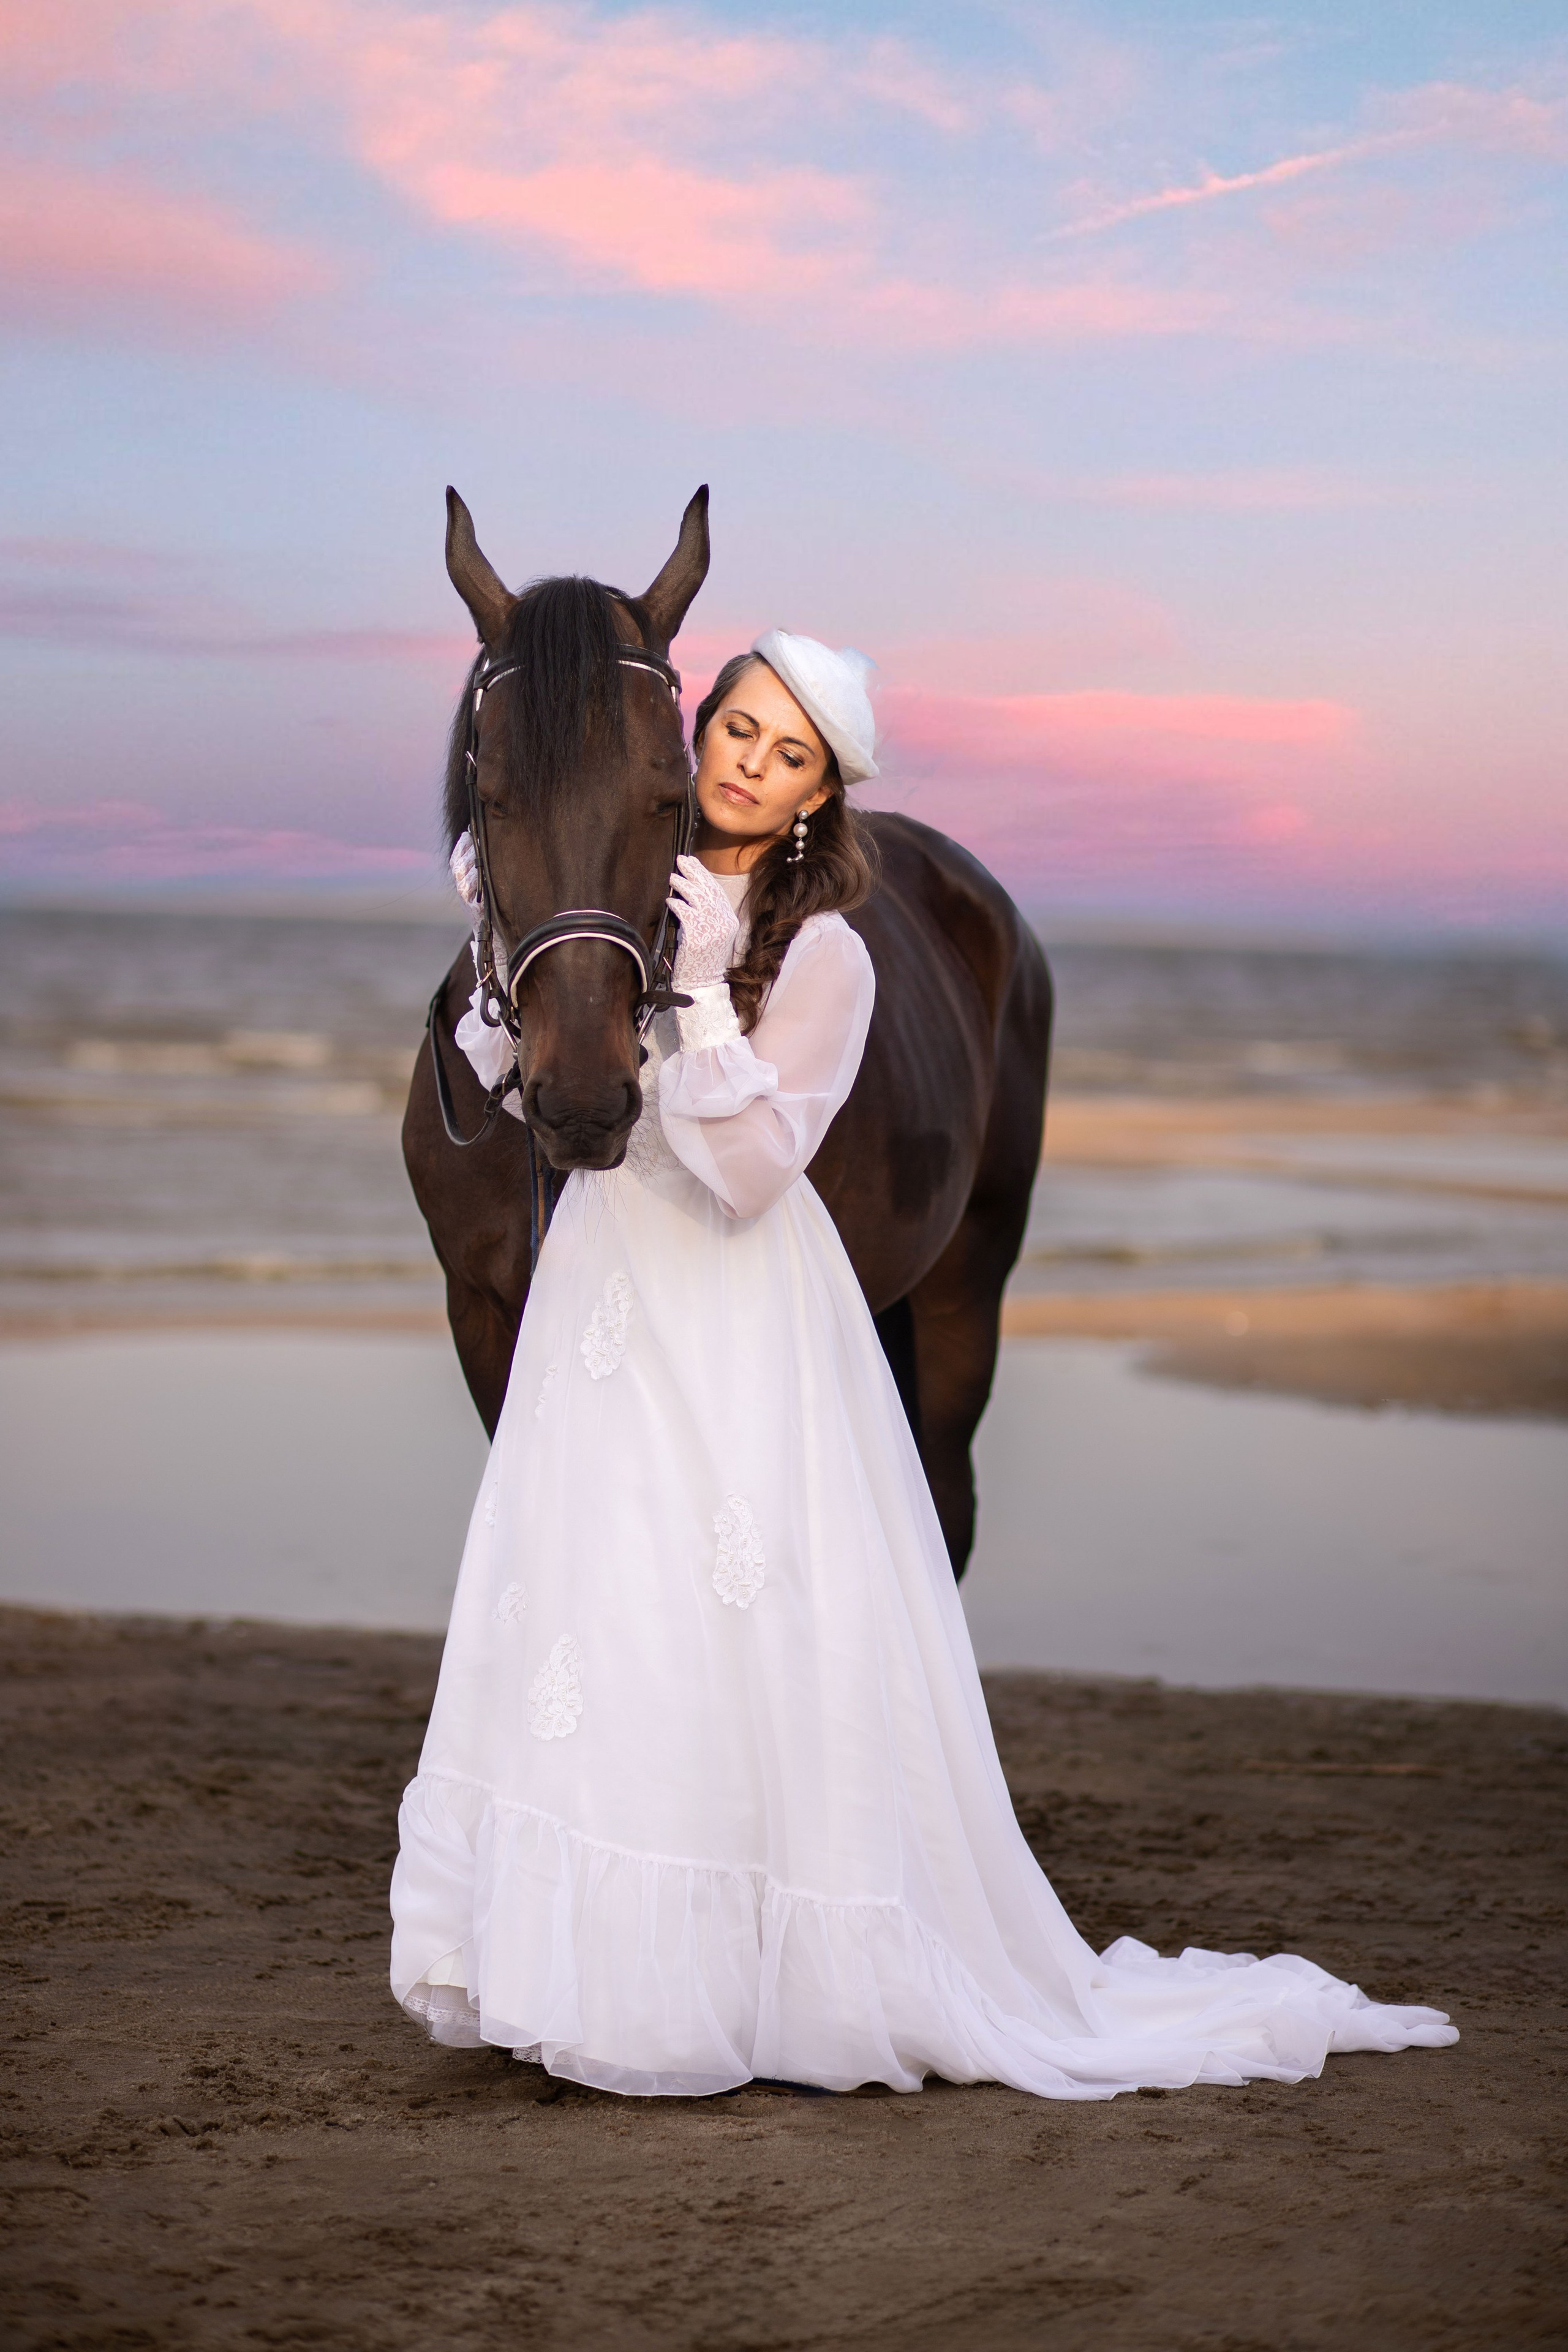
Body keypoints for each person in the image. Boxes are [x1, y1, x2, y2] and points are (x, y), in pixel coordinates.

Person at [390, 631, 1457, 2098]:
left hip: (732, 1289)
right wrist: (501, 961)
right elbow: (531, 1077)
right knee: (593, 1605)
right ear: (690, 731)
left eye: (789, 755)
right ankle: (573, 1954)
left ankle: (752, 1948)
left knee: (719, 1592)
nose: (749, 766)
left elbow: (754, 1170)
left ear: (825, 791)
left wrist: (697, 995)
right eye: (738, 731)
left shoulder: (818, 952)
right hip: (606, 1289)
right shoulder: (622, 897)